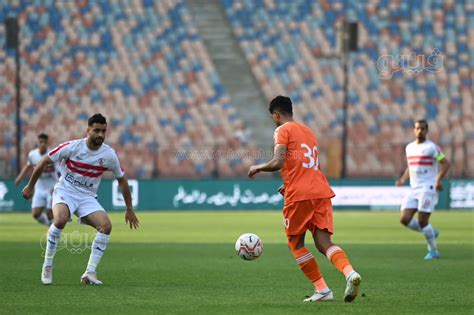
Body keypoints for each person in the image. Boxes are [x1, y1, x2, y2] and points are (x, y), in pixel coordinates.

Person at [248, 96, 361, 302]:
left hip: (299, 194)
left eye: (273, 117)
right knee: (323, 242)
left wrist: (258, 167)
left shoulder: (282, 130)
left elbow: (279, 161)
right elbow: (306, 165)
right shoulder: (308, 132)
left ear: (276, 114)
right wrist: (290, 181)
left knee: (296, 243)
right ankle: (350, 273)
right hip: (320, 191)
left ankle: (323, 290)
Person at [22, 113, 140, 285]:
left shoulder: (109, 155)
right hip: (65, 191)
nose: (100, 135)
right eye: (97, 130)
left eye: (104, 131)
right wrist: (30, 186)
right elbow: (42, 162)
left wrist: (129, 209)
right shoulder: (72, 147)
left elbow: (122, 180)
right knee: (60, 219)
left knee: (106, 226)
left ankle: (90, 272)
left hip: (87, 197)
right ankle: (47, 264)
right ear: (88, 131)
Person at [396, 119, 450, 260]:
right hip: (414, 188)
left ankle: (433, 251)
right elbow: (411, 167)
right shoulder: (409, 148)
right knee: (404, 219)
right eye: (417, 128)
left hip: (427, 188)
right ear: (414, 130)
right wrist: (402, 179)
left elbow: (445, 163)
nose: (419, 131)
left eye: (422, 129)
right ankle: (430, 232)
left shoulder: (432, 148)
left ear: (427, 130)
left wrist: (438, 180)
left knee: (422, 221)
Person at [15, 133, 57, 226]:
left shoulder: (52, 154)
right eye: (40, 142)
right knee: (35, 214)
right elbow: (28, 166)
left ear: (47, 143)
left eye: (44, 142)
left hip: (51, 187)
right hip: (39, 187)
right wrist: (20, 177)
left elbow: (59, 172)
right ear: (38, 143)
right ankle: (49, 225)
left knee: (50, 213)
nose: (42, 144)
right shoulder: (32, 154)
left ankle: (53, 234)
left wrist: (57, 185)